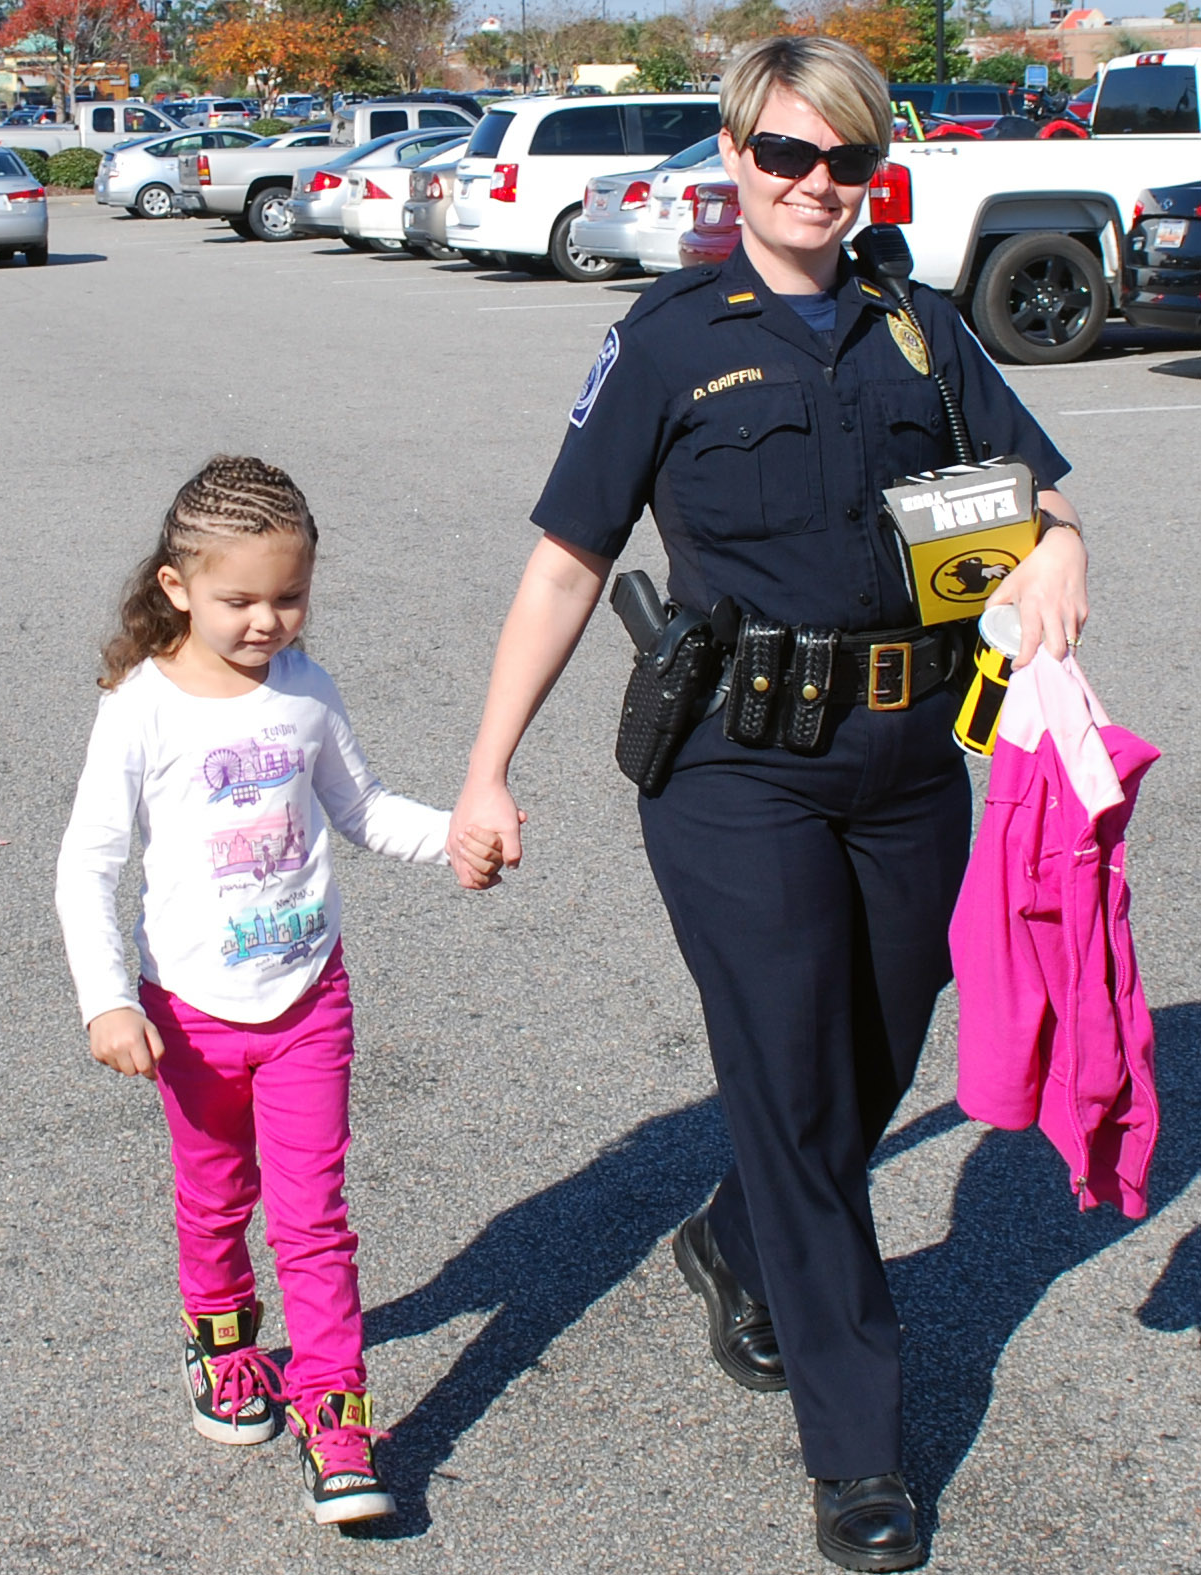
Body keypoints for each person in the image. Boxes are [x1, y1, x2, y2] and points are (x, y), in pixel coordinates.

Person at [446, 35, 1088, 1574]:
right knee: (793, 1068)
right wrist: (487, 768)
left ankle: (734, 1228)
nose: (813, 185)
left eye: (842, 161)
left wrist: (1058, 547)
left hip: (908, 757)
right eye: (786, 156)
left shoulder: (919, 330)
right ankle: (856, 1442)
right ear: (732, 157)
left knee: (873, 1042)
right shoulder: (667, 340)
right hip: (734, 765)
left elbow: (1034, 490)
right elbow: (565, 560)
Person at [55, 455, 503, 1526]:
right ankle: (219, 1342)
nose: (267, 620)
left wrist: (452, 837)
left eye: (288, 596)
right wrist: (104, 997)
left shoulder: (305, 693)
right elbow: (87, 864)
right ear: (177, 587)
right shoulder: (140, 708)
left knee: (313, 1217)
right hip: (189, 1013)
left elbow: (362, 807)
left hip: (308, 1000)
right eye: (239, 598)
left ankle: (334, 1416)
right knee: (215, 1198)